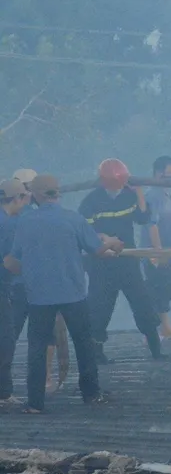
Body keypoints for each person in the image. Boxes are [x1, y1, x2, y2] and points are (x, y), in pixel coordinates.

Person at [3, 174, 118, 413]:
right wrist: (114, 242)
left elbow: (13, 261)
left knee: (36, 347)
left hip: (39, 296)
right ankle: (91, 393)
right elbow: (97, 250)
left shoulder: (26, 222)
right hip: (73, 292)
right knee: (83, 343)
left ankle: (35, 403)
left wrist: (27, 270)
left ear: (34, 195)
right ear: (58, 193)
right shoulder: (73, 219)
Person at [79, 158, 163, 363]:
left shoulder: (129, 195)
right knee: (100, 307)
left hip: (128, 261)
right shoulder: (90, 202)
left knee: (142, 301)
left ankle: (156, 350)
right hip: (101, 263)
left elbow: (143, 219)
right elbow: (85, 234)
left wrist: (139, 191)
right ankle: (96, 354)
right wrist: (106, 242)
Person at [6, 172, 66, 392]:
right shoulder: (23, 216)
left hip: (28, 283)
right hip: (25, 284)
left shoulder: (28, 215)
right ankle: (40, 378)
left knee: (31, 332)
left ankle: (44, 377)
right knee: (16, 332)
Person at [140, 155, 171, 339]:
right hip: (158, 253)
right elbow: (152, 225)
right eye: (170, 174)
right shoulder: (153, 196)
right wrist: (158, 251)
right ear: (158, 174)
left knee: (166, 289)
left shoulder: (169, 196)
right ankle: (152, 332)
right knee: (156, 289)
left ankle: (166, 328)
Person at [0, 179, 32, 405]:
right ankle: (3, 392)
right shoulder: (9, 224)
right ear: (17, 199)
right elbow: (9, 261)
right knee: (5, 339)